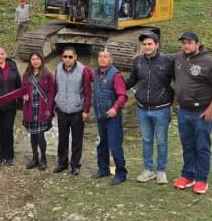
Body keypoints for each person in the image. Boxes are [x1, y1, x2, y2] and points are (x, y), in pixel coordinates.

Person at [172, 31, 212, 194]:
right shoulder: (179, 58)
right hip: (184, 111)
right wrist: (141, 55)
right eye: (183, 43)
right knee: (187, 145)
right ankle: (187, 175)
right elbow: (162, 60)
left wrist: (211, 108)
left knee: (202, 146)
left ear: (197, 44)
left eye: (189, 43)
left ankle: (201, 179)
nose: (186, 46)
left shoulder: (208, 62)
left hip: (202, 112)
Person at [125, 31, 174, 184]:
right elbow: (132, 79)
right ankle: (148, 169)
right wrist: (116, 89)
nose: (147, 47)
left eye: (150, 44)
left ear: (157, 45)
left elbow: (179, 79)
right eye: (144, 44)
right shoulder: (138, 61)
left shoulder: (167, 61)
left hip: (162, 108)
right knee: (146, 140)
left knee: (161, 141)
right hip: (142, 108)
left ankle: (161, 171)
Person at [53, 46, 93, 176]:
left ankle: (75, 164)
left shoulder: (83, 70)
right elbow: (55, 88)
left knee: (77, 139)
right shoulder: (58, 68)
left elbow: (87, 92)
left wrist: (86, 110)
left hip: (77, 110)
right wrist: (54, 105)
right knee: (62, 138)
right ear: (62, 57)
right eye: (65, 56)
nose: (67, 59)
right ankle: (62, 162)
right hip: (62, 109)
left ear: (75, 57)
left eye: (70, 57)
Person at [92, 49, 128, 185]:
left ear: (111, 60)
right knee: (102, 144)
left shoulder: (115, 75)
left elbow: (123, 95)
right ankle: (103, 169)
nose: (102, 59)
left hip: (112, 117)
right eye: (100, 56)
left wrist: (115, 108)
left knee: (115, 145)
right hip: (100, 115)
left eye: (105, 57)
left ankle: (121, 173)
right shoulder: (96, 73)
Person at [21, 51, 55, 171]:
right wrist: (24, 95)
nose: (35, 61)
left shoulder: (47, 75)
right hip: (30, 109)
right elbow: (23, 90)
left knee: (41, 135)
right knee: (33, 135)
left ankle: (43, 158)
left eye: (37, 59)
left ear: (41, 60)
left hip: (42, 109)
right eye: (33, 59)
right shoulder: (26, 75)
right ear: (30, 61)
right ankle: (35, 158)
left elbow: (51, 93)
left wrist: (49, 109)